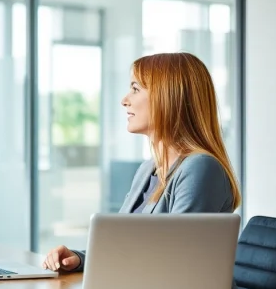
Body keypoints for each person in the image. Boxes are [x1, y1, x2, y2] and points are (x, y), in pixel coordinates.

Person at [42, 52, 241, 274]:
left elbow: (174, 261)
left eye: (135, 89)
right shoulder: (148, 169)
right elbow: (123, 247)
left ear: (168, 97)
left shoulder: (200, 167)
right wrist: (78, 259)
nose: (124, 100)